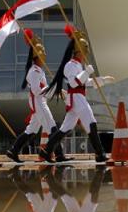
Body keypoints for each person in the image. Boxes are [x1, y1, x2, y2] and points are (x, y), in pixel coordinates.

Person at [39, 25, 114, 163]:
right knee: (91, 122)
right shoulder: (70, 65)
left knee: (65, 128)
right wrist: (87, 72)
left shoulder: (78, 65)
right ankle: (100, 153)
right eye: (85, 51)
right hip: (76, 98)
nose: (86, 54)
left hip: (77, 98)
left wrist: (102, 80)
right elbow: (74, 83)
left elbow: (86, 82)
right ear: (80, 51)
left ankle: (46, 151)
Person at [6, 29, 71, 163]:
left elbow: (43, 90)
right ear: (38, 56)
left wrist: (56, 91)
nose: (45, 55)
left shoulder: (39, 71)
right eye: (43, 53)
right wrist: (54, 89)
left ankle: (13, 150)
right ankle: (58, 155)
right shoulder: (34, 71)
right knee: (52, 127)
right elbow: (37, 90)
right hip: (38, 102)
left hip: (40, 101)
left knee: (31, 130)